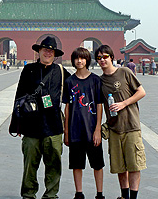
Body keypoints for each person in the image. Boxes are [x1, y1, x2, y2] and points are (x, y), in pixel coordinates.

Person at [9, 36, 70, 199]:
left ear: (55, 54)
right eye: (45, 50)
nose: (48, 53)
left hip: (54, 127)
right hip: (31, 127)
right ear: (39, 51)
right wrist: (17, 125)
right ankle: (28, 194)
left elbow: (77, 88)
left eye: (51, 51)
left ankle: (51, 195)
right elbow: (18, 98)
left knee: (54, 164)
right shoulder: (28, 70)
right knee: (30, 165)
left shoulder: (62, 72)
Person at [95, 45, 146, 199]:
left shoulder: (124, 72)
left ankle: (133, 197)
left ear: (111, 57)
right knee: (120, 167)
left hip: (131, 126)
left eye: (105, 57)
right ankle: (124, 196)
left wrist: (124, 103)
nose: (102, 60)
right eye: (99, 58)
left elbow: (141, 92)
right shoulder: (100, 81)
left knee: (134, 165)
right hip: (114, 129)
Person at [63, 47, 105, 199]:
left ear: (87, 60)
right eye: (76, 58)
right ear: (73, 61)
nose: (79, 61)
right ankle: (79, 193)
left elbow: (99, 105)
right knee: (76, 164)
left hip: (92, 129)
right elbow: (67, 107)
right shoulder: (69, 81)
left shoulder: (95, 80)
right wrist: (66, 131)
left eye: (82, 58)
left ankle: (99, 193)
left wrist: (98, 129)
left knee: (98, 164)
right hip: (75, 130)